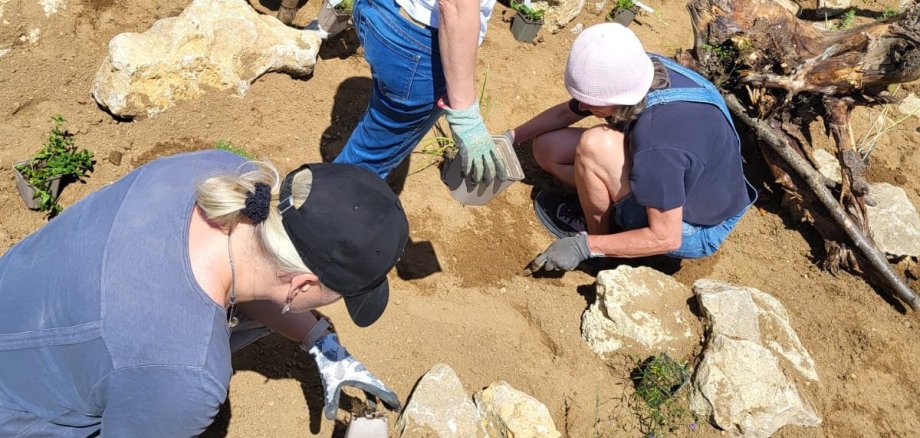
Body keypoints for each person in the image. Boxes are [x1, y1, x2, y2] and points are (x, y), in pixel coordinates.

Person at [0, 149, 407, 436]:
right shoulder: (184, 374)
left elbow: (255, 267)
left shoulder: (223, 173)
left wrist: (319, 341)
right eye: (337, 296)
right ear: (302, 284)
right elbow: (170, 373)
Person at [512, 23, 757, 272]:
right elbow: (565, 113)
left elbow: (666, 237)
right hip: (693, 185)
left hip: (694, 227)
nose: (583, 108)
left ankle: (602, 248)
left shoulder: (658, 143)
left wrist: (583, 247)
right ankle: (603, 207)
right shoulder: (637, 69)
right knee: (546, 148)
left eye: (591, 103)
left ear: (620, 97)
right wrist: (509, 138)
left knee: (595, 146)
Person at [320, 0, 507, 185]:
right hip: (416, 43)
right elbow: (456, 6)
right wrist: (467, 116)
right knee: (365, 167)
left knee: (387, 105)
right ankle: (318, 206)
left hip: (378, 10)